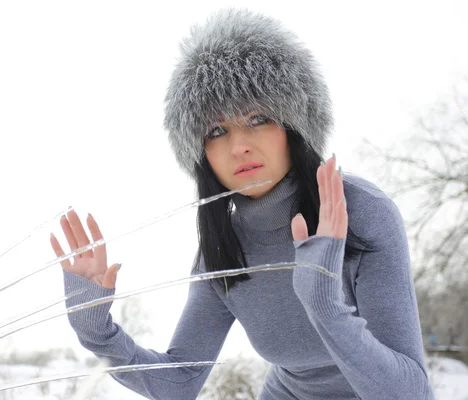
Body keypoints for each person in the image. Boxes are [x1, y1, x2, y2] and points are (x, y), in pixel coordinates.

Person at [49, 8, 434, 399]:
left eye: (257, 118)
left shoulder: (364, 215)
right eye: (217, 130)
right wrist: (97, 332)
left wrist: (326, 307)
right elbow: (180, 383)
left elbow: (411, 392)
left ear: (294, 125)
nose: (239, 146)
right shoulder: (223, 250)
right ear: (202, 157)